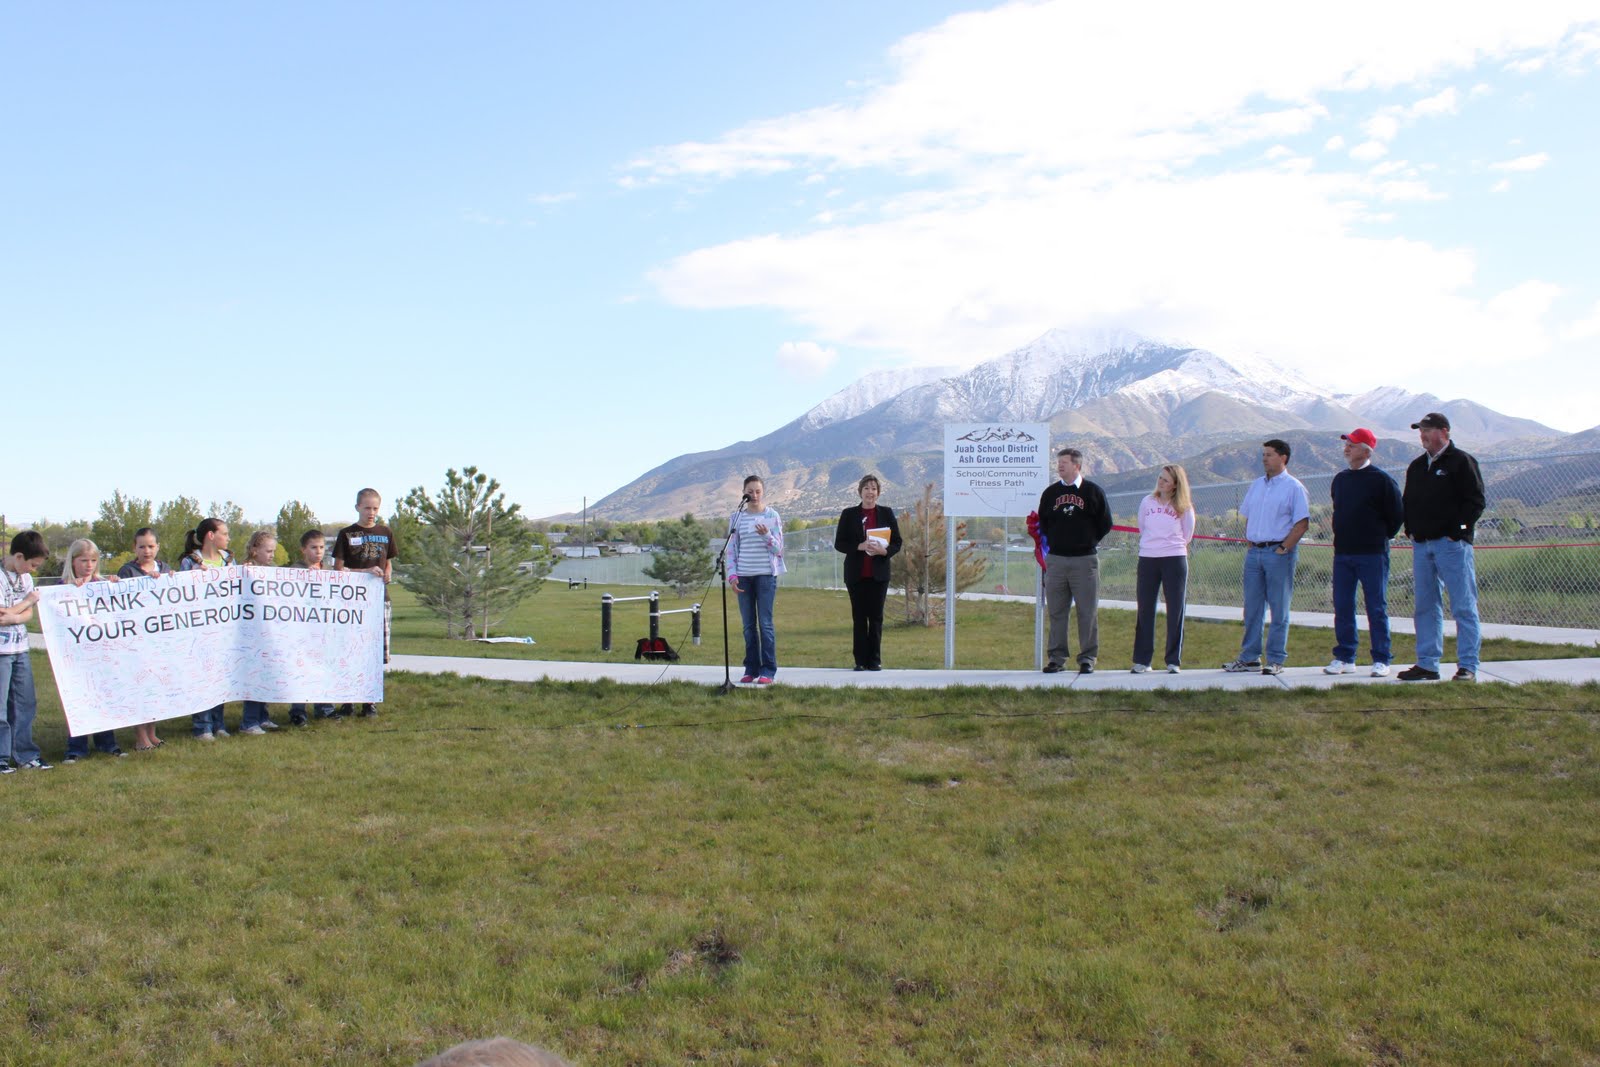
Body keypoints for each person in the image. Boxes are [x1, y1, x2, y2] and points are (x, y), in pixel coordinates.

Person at [1399, 412, 1486, 682]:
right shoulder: (1416, 466)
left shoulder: (1461, 462)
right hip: (1422, 546)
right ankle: (1427, 664)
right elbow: (1409, 501)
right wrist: (1411, 529)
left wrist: (1457, 532)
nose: (1422, 435)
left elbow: (1475, 501)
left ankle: (1468, 665)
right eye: (1420, 430)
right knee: (1425, 606)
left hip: (1452, 547)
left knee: (1462, 605)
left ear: (1444, 432)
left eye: (1427, 429)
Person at [1222, 438, 1310, 676]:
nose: (1264, 459)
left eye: (1269, 455)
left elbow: (1301, 523)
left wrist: (1283, 548)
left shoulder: (1294, 487)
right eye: (1263, 455)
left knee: (1279, 608)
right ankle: (1250, 658)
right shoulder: (1257, 485)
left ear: (1283, 458)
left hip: (1278, 553)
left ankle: (1276, 659)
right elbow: (1249, 515)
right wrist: (1252, 541)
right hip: (1255, 553)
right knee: (1252, 608)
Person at [1326, 429, 1404, 678]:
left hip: (1372, 553)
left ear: (1367, 450)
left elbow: (1396, 516)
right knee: (1343, 604)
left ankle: (1381, 658)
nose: (1347, 448)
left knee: (1376, 606)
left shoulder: (1381, 480)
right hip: (1343, 553)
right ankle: (1345, 656)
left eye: (1353, 444)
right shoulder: (1340, 479)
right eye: (1346, 444)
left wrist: (1378, 537)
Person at [1037, 447, 1113, 674]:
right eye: (1058, 462)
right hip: (1057, 560)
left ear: (1077, 466)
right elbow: (1044, 522)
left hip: (1084, 561)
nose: (1060, 466)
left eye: (1064, 462)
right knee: (1057, 611)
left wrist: (1086, 540)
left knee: (1087, 611)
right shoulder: (1050, 494)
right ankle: (1056, 658)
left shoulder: (1093, 492)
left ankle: (1087, 658)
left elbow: (1105, 523)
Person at [60, 539, 127, 762]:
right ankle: (76, 748)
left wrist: (114, 586)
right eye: (83, 561)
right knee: (78, 698)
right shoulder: (63, 588)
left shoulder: (101, 584)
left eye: (93, 560)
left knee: (104, 696)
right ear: (73, 561)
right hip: (75, 655)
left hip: (101, 652)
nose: (88, 565)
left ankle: (107, 743)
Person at [333, 488, 397, 716]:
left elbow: (388, 561)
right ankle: (347, 699)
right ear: (357, 507)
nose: (371, 513)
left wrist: (387, 573)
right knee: (350, 650)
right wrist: (366, 571)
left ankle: (369, 700)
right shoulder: (347, 534)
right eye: (367, 508)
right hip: (351, 602)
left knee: (374, 652)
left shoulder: (385, 532)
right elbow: (339, 569)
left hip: (379, 600)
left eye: (375, 508)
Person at [833, 474, 903, 671]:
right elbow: (840, 544)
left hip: (878, 575)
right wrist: (859, 546)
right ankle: (860, 661)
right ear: (860, 492)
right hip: (856, 575)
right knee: (859, 618)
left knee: (876, 618)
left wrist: (885, 551)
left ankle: (875, 660)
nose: (870, 492)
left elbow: (897, 542)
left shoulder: (887, 513)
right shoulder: (849, 514)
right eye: (866, 488)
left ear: (878, 493)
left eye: (873, 488)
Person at [1132, 464, 1195, 674]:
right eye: (1160, 478)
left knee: (1176, 609)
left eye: (1166, 480)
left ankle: (1173, 660)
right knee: (1145, 608)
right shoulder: (1147, 502)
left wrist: (1170, 547)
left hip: (1174, 558)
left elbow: (1187, 534)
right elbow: (1143, 527)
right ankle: (1142, 660)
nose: (1161, 482)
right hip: (1149, 557)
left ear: (1176, 485)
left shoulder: (1184, 507)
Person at [117, 527, 174, 750]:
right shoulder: (127, 572)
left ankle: (152, 732)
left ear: (158, 547)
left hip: (159, 638)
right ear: (134, 548)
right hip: (137, 639)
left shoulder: (166, 569)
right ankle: (140, 736)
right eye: (142, 546)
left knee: (155, 687)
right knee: (140, 686)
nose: (147, 550)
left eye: (151, 546)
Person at [726, 474, 786, 684]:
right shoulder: (736, 518)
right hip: (744, 577)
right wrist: (732, 576)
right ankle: (750, 668)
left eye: (758, 491)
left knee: (766, 624)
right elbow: (731, 550)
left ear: (763, 492)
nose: (754, 495)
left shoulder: (772, 516)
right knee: (748, 625)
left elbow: (778, 549)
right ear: (744, 493)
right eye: (750, 491)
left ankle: (768, 670)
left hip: (765, 577)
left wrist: (766, 535)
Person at [1, 531, 51, 772]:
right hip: (1, 652)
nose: (33, 570)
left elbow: (27, 615)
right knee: (0, 707)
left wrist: (17, 612)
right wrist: (27, 601)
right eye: (32, 564)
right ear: (18, 556)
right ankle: (1, 758)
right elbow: (2, 616)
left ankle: (24, 754)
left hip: (21, 648)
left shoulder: (26, 580)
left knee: (24, 703)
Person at [181, 517, 235, 740]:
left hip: (223, 626)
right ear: (211, 535)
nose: (228, 538)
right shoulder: (191, 561)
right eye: (224, 533)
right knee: (202, 674)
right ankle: (202, 725)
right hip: (200, 627)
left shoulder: (229, 561)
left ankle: (218, 722)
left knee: (220, 675)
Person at [284, 529, 336, 725]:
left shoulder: (328, 571)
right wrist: (305, 577)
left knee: (324, 668)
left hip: (322, 629)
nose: (318, 551)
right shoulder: (295, 570)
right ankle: (298, 710)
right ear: (303, 549)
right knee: (301, 669)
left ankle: (325, 707)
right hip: (301, 630)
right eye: (314, 547)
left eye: (322, 547)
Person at [237, 530, 282, 735]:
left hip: (266, 633)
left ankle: (263, 717)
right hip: (250, 635)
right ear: (255, 550)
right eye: (268, 550)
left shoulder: (270, 571)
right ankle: (249, 722)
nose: (272, 555)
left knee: (265, 676)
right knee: (254, 678)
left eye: (273, 551)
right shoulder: (246, 570)